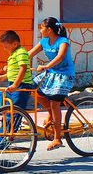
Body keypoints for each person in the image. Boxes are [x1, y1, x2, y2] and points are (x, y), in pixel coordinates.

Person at [28, 17, 76, 151]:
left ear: (49, 30)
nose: (40, 29)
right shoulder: (44, 41)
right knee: (32, 89)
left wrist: (45, 66)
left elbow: (60, 57)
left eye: (42, 27)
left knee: (55, 102)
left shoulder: (63, 42)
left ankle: (58, 139)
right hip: (51, 73)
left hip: (64, 75)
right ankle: (51, 113)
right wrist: (13, 63)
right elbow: (29, 54)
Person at [0, 30, 35, 150]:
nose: (5, 49)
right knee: (7, 112)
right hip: (13, 85)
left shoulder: (21, 52)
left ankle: (1, 140)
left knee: (14, 114)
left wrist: (16, 85)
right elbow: (13, 72)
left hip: (22, 86)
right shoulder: (13, 54)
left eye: (6, 46)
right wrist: (2, 77)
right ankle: (0, 138)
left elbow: (23, 69)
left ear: (15, 43)